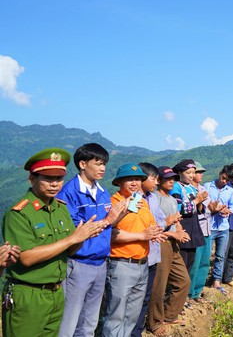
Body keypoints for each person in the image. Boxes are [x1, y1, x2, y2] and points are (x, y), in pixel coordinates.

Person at [2, 148, 104, 337]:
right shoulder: (19, 214)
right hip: (29, 294)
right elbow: (26, 257)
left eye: (59, 178)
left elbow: (71, 251)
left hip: (56, 292)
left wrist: (82, 237)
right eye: (48, 178)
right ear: (32, 178)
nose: (54, 184)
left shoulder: (60, 208)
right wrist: (72, 239)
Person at [57, 143, 129, 337]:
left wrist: (120, 216)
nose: (103, 168)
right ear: (82, 164)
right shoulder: (69, 193)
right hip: (78, 262)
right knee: (69, 321)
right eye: (97, 164)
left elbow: (109, 226)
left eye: (104, 164)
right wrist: (108, 220)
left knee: (89, 322)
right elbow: (74, 232)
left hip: (100, 263)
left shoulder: (103, 192)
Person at [102, 163, 166, 337]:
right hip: (122, 264)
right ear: (119, 182)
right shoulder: (114, 202)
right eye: (129, 179)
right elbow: (110, 234)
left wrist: (155, 234)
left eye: (138, 179)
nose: (134, 183)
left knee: (131, 315)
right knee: (115, 315)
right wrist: (142, 236)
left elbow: (148, 226)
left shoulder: (142, 203)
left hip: (142, 264)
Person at [147, 166, 190, 336]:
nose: (171, 181)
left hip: (173, 242)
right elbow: (154, 226)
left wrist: (180, 231)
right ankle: (154, 322)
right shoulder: (155, 198)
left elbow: (176, 219)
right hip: (162, 242)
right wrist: (173, 232)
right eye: (168, 179)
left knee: (183, 280)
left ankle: (170, 315)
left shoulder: (172, 199)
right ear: (159, 181)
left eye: (173, 178)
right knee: (160, 284)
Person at [131, 163, 167, 337]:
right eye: (153, 178)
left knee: (145, 298)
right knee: (133, 300)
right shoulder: (134, 199)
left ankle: (137, 332)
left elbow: (160, 220)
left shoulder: (152, 198)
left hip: (152, 255)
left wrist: (158, 228)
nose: (156, 182)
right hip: (138, 255)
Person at [171, 159, 207, 273]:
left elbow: (200, 210)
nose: (191, 176)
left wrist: (200, 202)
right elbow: (178, 208)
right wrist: (196, 201)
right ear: (180, 173)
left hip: (194, 228)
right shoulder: (176, 187)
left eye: (193, 172)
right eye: (188, 173)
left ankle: (186, 289)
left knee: (190, 264)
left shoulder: (191, 188)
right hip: (183, 227)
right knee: (182, 264)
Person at [204, 167, 233, 294]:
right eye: (223, 178)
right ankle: (203, 279)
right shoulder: (207, 186)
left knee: (220, 256)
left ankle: (216, 280)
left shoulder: (230, 190)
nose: (224, 181)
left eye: (227, 180)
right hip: (209, 226)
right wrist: (214, 208)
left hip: (223, 227)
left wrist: (228, 211)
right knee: (206, 255)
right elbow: (204, 204)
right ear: (219, 174)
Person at [188, 161, 212, 301]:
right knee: (194, 264)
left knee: (204, 262)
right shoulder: (188, 190)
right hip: (196, 231)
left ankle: (197, 291)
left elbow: (209, 207)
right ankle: (189, 293)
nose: (200, 175)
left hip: (206, 229)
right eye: (198, 172)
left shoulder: (203, 189)